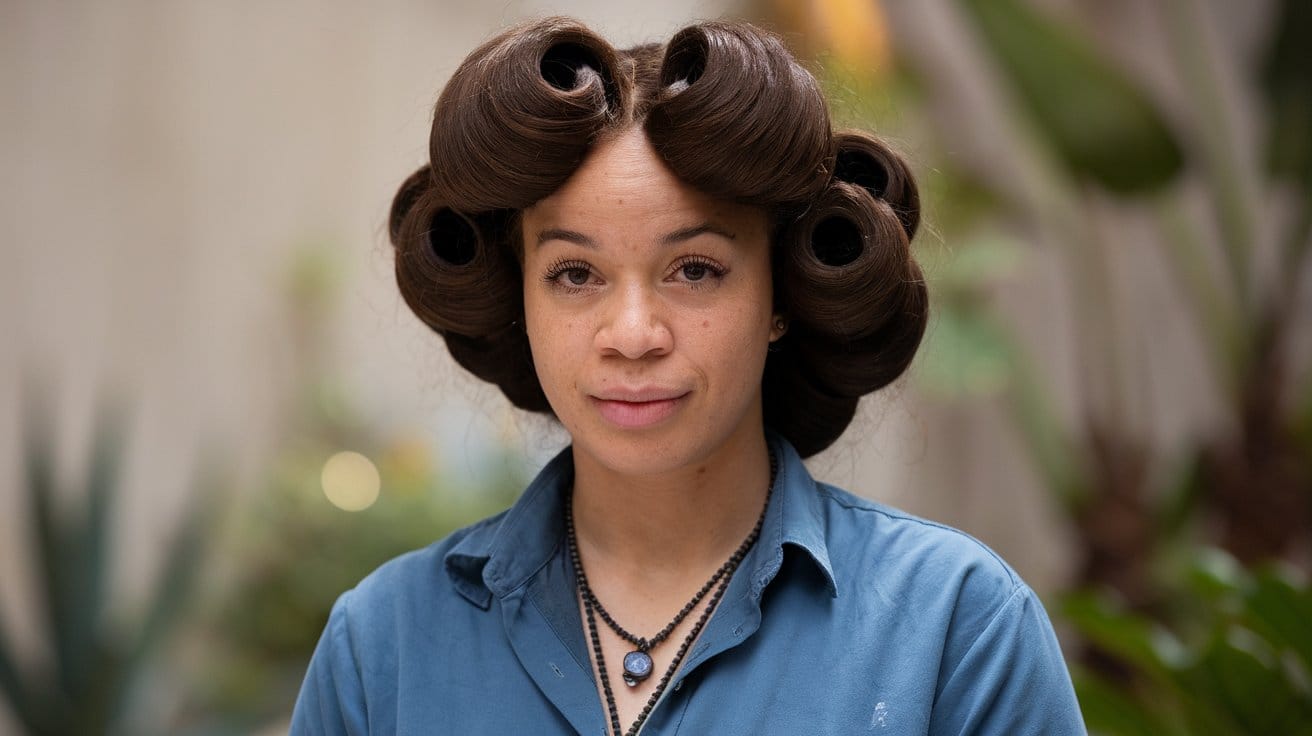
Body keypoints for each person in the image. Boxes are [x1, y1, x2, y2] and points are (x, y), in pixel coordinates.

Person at [291, 16, 1086, 736]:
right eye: (575, 274)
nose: (634, 336)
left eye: (696, 270)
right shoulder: (382, 647)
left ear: (781, 294)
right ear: (519, 299)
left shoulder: (956, 629)